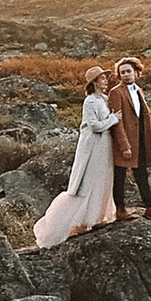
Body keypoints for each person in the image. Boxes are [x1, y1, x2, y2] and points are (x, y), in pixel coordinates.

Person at [32, 66, 118, 247]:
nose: (106, 81)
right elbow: (94, 126)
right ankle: (70, 222)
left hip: (104, 144)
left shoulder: (104, 99)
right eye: (102, 78)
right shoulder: (90, 101)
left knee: (102, 178)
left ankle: (96, 216)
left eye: (105, 78)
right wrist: (113, 119)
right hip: (93, 145)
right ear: (95, 82)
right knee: (88, 180)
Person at [108, 57, 151, 218]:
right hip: (124, 142)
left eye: (128, 71)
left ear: (136, 73)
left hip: (140, 141)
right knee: (120, 176)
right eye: (122, 72)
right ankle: (120, 209)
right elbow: (117, 122)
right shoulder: (116, 92)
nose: (125, 75)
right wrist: (124, 146)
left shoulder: (138, 90)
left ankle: (150, 208)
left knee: (141, 174)